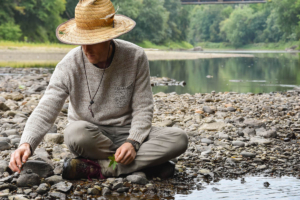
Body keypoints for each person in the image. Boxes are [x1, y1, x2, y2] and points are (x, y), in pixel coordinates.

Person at [9, 0, 188, 180]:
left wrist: (133, 142)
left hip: (126, 131)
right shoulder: (68, 65)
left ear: (109, 37)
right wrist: (26, 143)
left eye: (92, 42)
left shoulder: (135, 57)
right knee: (74, 133)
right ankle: (143, 165)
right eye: (81, 42)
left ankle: (105, 168)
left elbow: (143, 107)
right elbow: (46, 108)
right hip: (90, 138)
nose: (86, 49)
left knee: (179, 138)